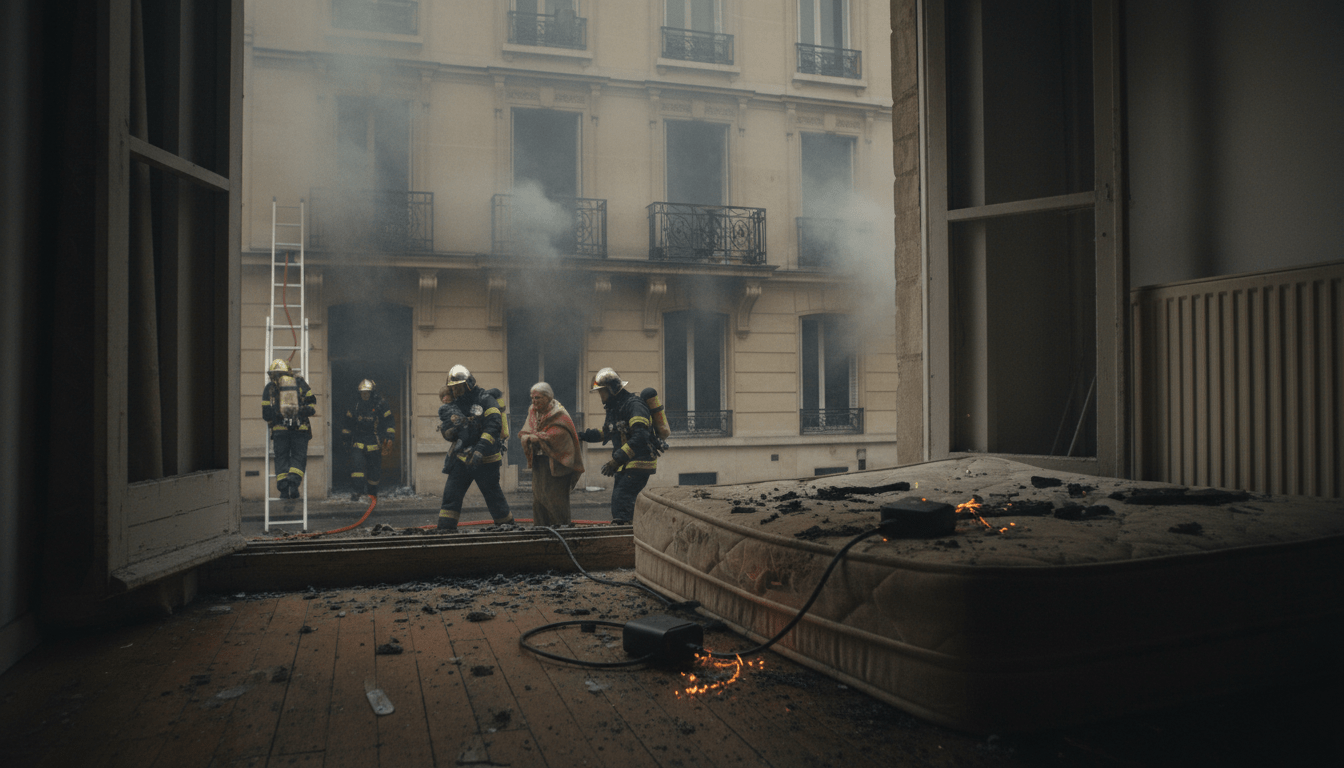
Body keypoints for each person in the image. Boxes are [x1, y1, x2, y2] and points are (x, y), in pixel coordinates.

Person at [436, 364, 514, 531]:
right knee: (451, 496)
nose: (455, 392)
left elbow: (493, 426)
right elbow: (447, 426)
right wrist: (448, 431)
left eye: (458, 388)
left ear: (468, 384)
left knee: (494, 497)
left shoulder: (486, 400)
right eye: (453, 388)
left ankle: (508, 530)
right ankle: (444, 532)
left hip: (485, 459)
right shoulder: (454, 404)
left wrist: (479, 449)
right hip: (461, 458)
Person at [578, 367, 658, 525]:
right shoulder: (616, 407)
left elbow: (641, 436)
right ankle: (631, 531)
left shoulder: (634, 406)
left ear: (612, 389)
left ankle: (624, 534)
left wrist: (616, 460)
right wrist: (580, 436)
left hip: (639, 462)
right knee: (622, 502)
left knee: (621, 501)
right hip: (626, 464)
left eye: (602, 392)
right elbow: (607, 432)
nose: (601, 397)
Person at [517, 382, 585, 527]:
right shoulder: (533, 411)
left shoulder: (559, 413)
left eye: (537, 398)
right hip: (539, 463)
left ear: (547, 398)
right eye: (532, 398)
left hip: (556, 464)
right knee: (539, 497)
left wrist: (540, 437)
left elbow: (560, 435)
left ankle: (560, 529)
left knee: (555, 498)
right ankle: (541, 528)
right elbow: (526, 429)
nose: (534, 401)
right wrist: (528, 437)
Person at [261, 358, 316, 500]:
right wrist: (299, 412)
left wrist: (278, 415)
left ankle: (284, 489)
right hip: (301, 428)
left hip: (280, 430)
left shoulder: (269, 389)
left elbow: (266, 414)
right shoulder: (300, 383)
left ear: (272, 374)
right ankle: (294, 484)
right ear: (289, 372)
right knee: (298, 456)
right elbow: (312, 408)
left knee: (281, 458)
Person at [340, 379, 395, 500]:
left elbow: (389, 421)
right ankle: (357, 491)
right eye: (363, 392)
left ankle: (372, 493)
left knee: (374, 471)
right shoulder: (355, 405)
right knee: (357, 467)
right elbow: (347, 424)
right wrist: (346, 440)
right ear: (359, 393)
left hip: (374, 442)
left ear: (372, 393)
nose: (365, 395)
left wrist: (389, 437)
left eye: (367, 392)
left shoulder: (380, 405)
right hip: (358, 441)